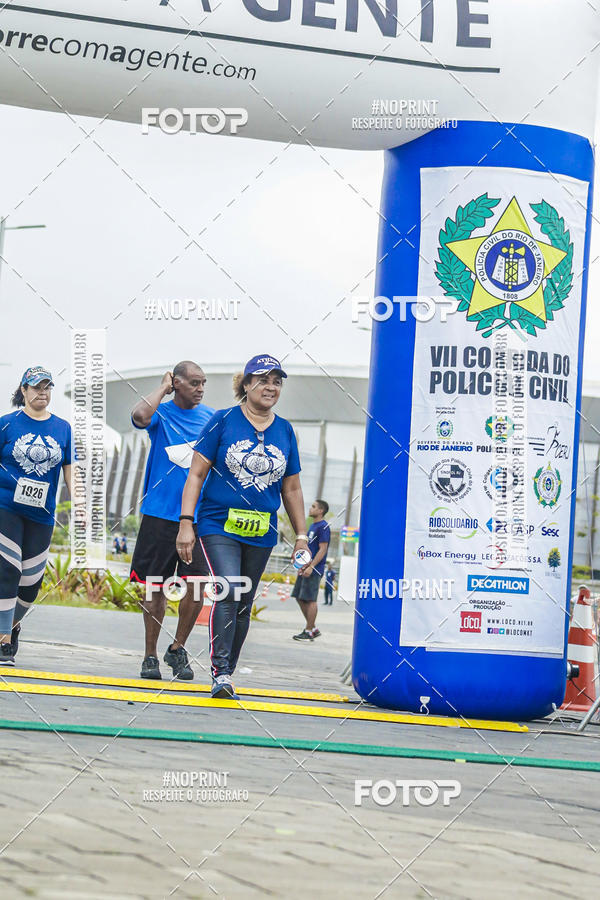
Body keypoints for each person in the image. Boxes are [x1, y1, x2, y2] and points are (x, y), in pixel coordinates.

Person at [176, 354, 309, 700]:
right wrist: (186, 523)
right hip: (218, 523)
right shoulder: (222, 421)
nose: (270, 387)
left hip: (261, 531)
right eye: (263, 380)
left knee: (244, 602)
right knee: (230, 589)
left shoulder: (285, 430)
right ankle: (219, 671)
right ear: (246, 384)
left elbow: (292, 489)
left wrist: (301, 536)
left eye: (277, 382)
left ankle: (228, 672)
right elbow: (196, 474)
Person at [130, 361, 214, 681]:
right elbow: (140, 417)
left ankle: (177, 648)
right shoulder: (161, 414)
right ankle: (150, 655)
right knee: (155, 587)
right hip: (159, 515)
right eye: (194, 383)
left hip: (199, 518)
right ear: (176, 383)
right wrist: (163, 387)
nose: (200, 388)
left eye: (203, 383)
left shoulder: (211, 419)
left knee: (197, 586)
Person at [0, 367, 75, 665]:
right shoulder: (7, 424)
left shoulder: (63, 428)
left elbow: (70, 469)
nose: (42, 392)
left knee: (31, 581)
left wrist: (80, 504)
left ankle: (13, 624)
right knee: (8, 570)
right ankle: (3, 640)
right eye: (36, 387)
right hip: (6, 507)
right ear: (24, 390)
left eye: (47, 387)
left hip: (42, 513)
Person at [292, 499, 331, 641]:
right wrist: (301, 565)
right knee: (299, 597)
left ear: (321, 511)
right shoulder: (313, 526)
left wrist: (312, 566)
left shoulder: (323, 526)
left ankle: (308, 631)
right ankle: (313, 628)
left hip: (314, 569)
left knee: (310, 600)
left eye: (314, 507)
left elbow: (323, 549)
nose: (310, 508)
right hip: (305, 567)